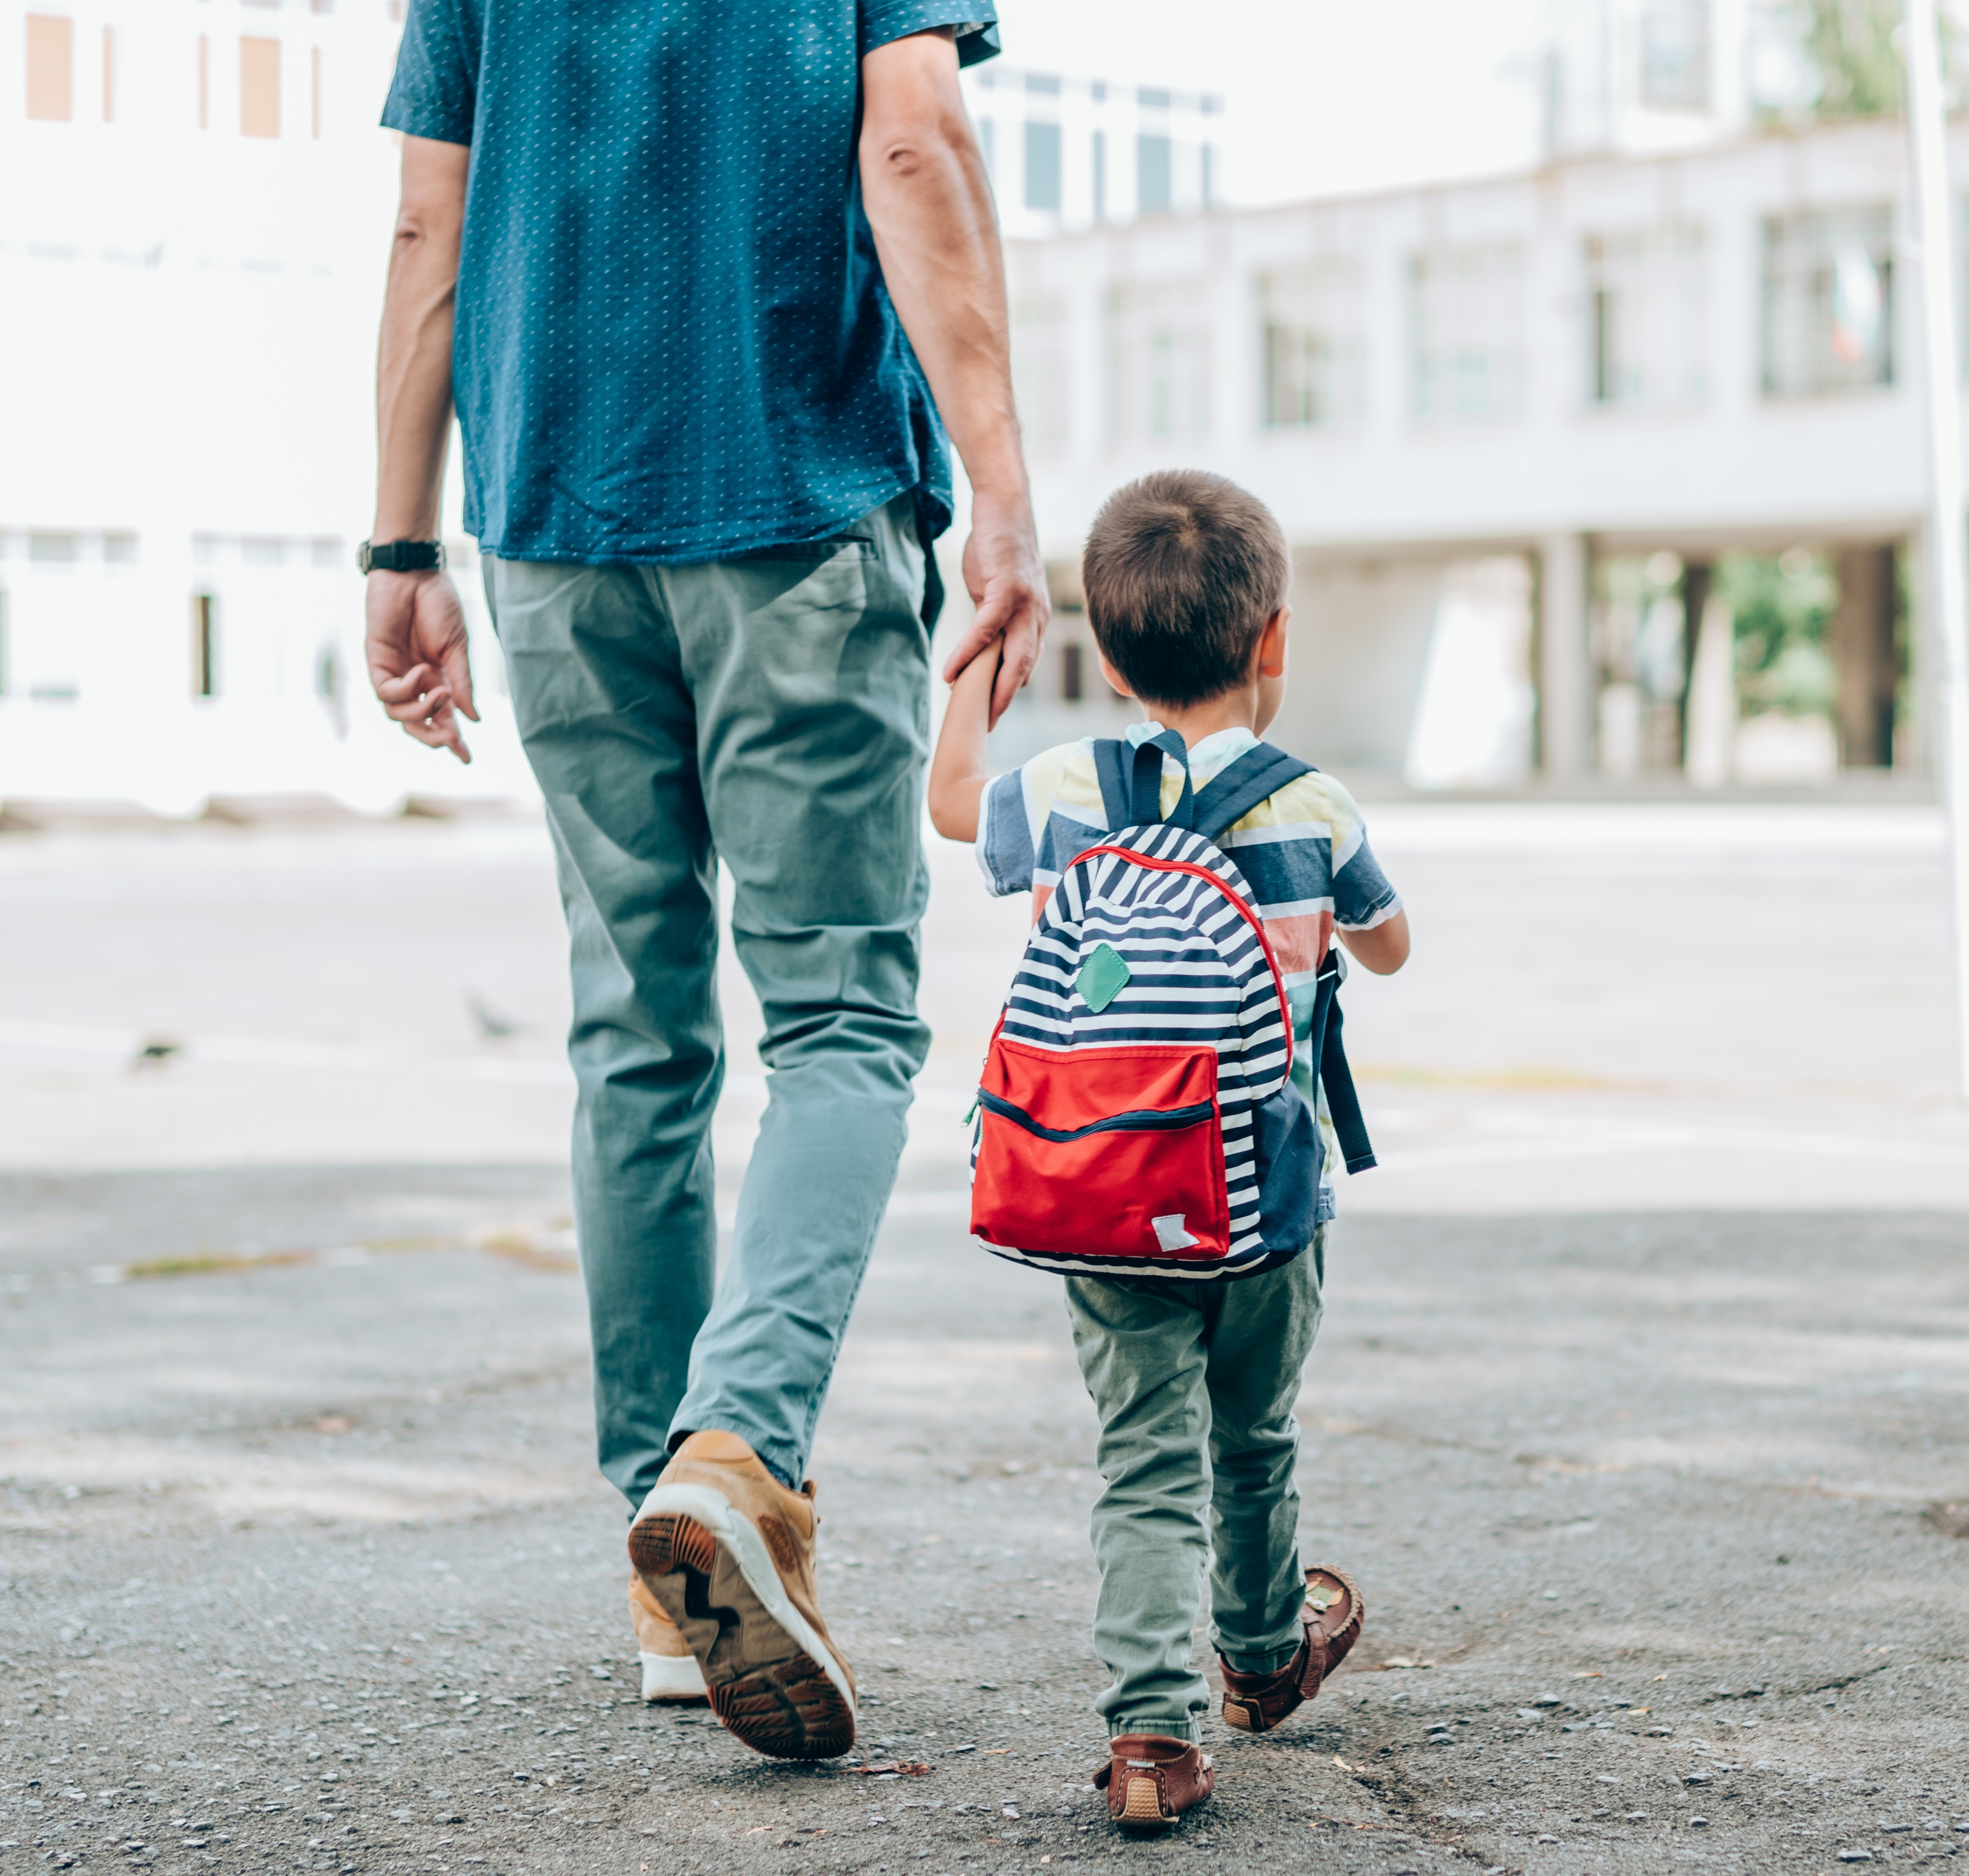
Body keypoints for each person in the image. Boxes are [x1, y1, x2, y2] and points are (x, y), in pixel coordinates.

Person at [359, 0, 1050, 1761]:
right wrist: (1005, 490)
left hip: (548, 517)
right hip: (792, 497)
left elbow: (431, 224)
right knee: (838, 1020)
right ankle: (732, 1457)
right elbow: (912, 142)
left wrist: (396, 537)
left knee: (637, 1035)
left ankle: (673, 1579)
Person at [925, 468, 1410, 1831]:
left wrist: (982, 652)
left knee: (1144, 1453)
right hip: (1268, 1206)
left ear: (1115, 655)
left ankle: (1155, 1736)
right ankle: (1261, 1655)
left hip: (1107, 1190)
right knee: (1249, 1434)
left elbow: (952, 799)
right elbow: (1391, 938)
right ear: (1274, 643)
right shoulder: (1312, 806)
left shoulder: (1073, 788)